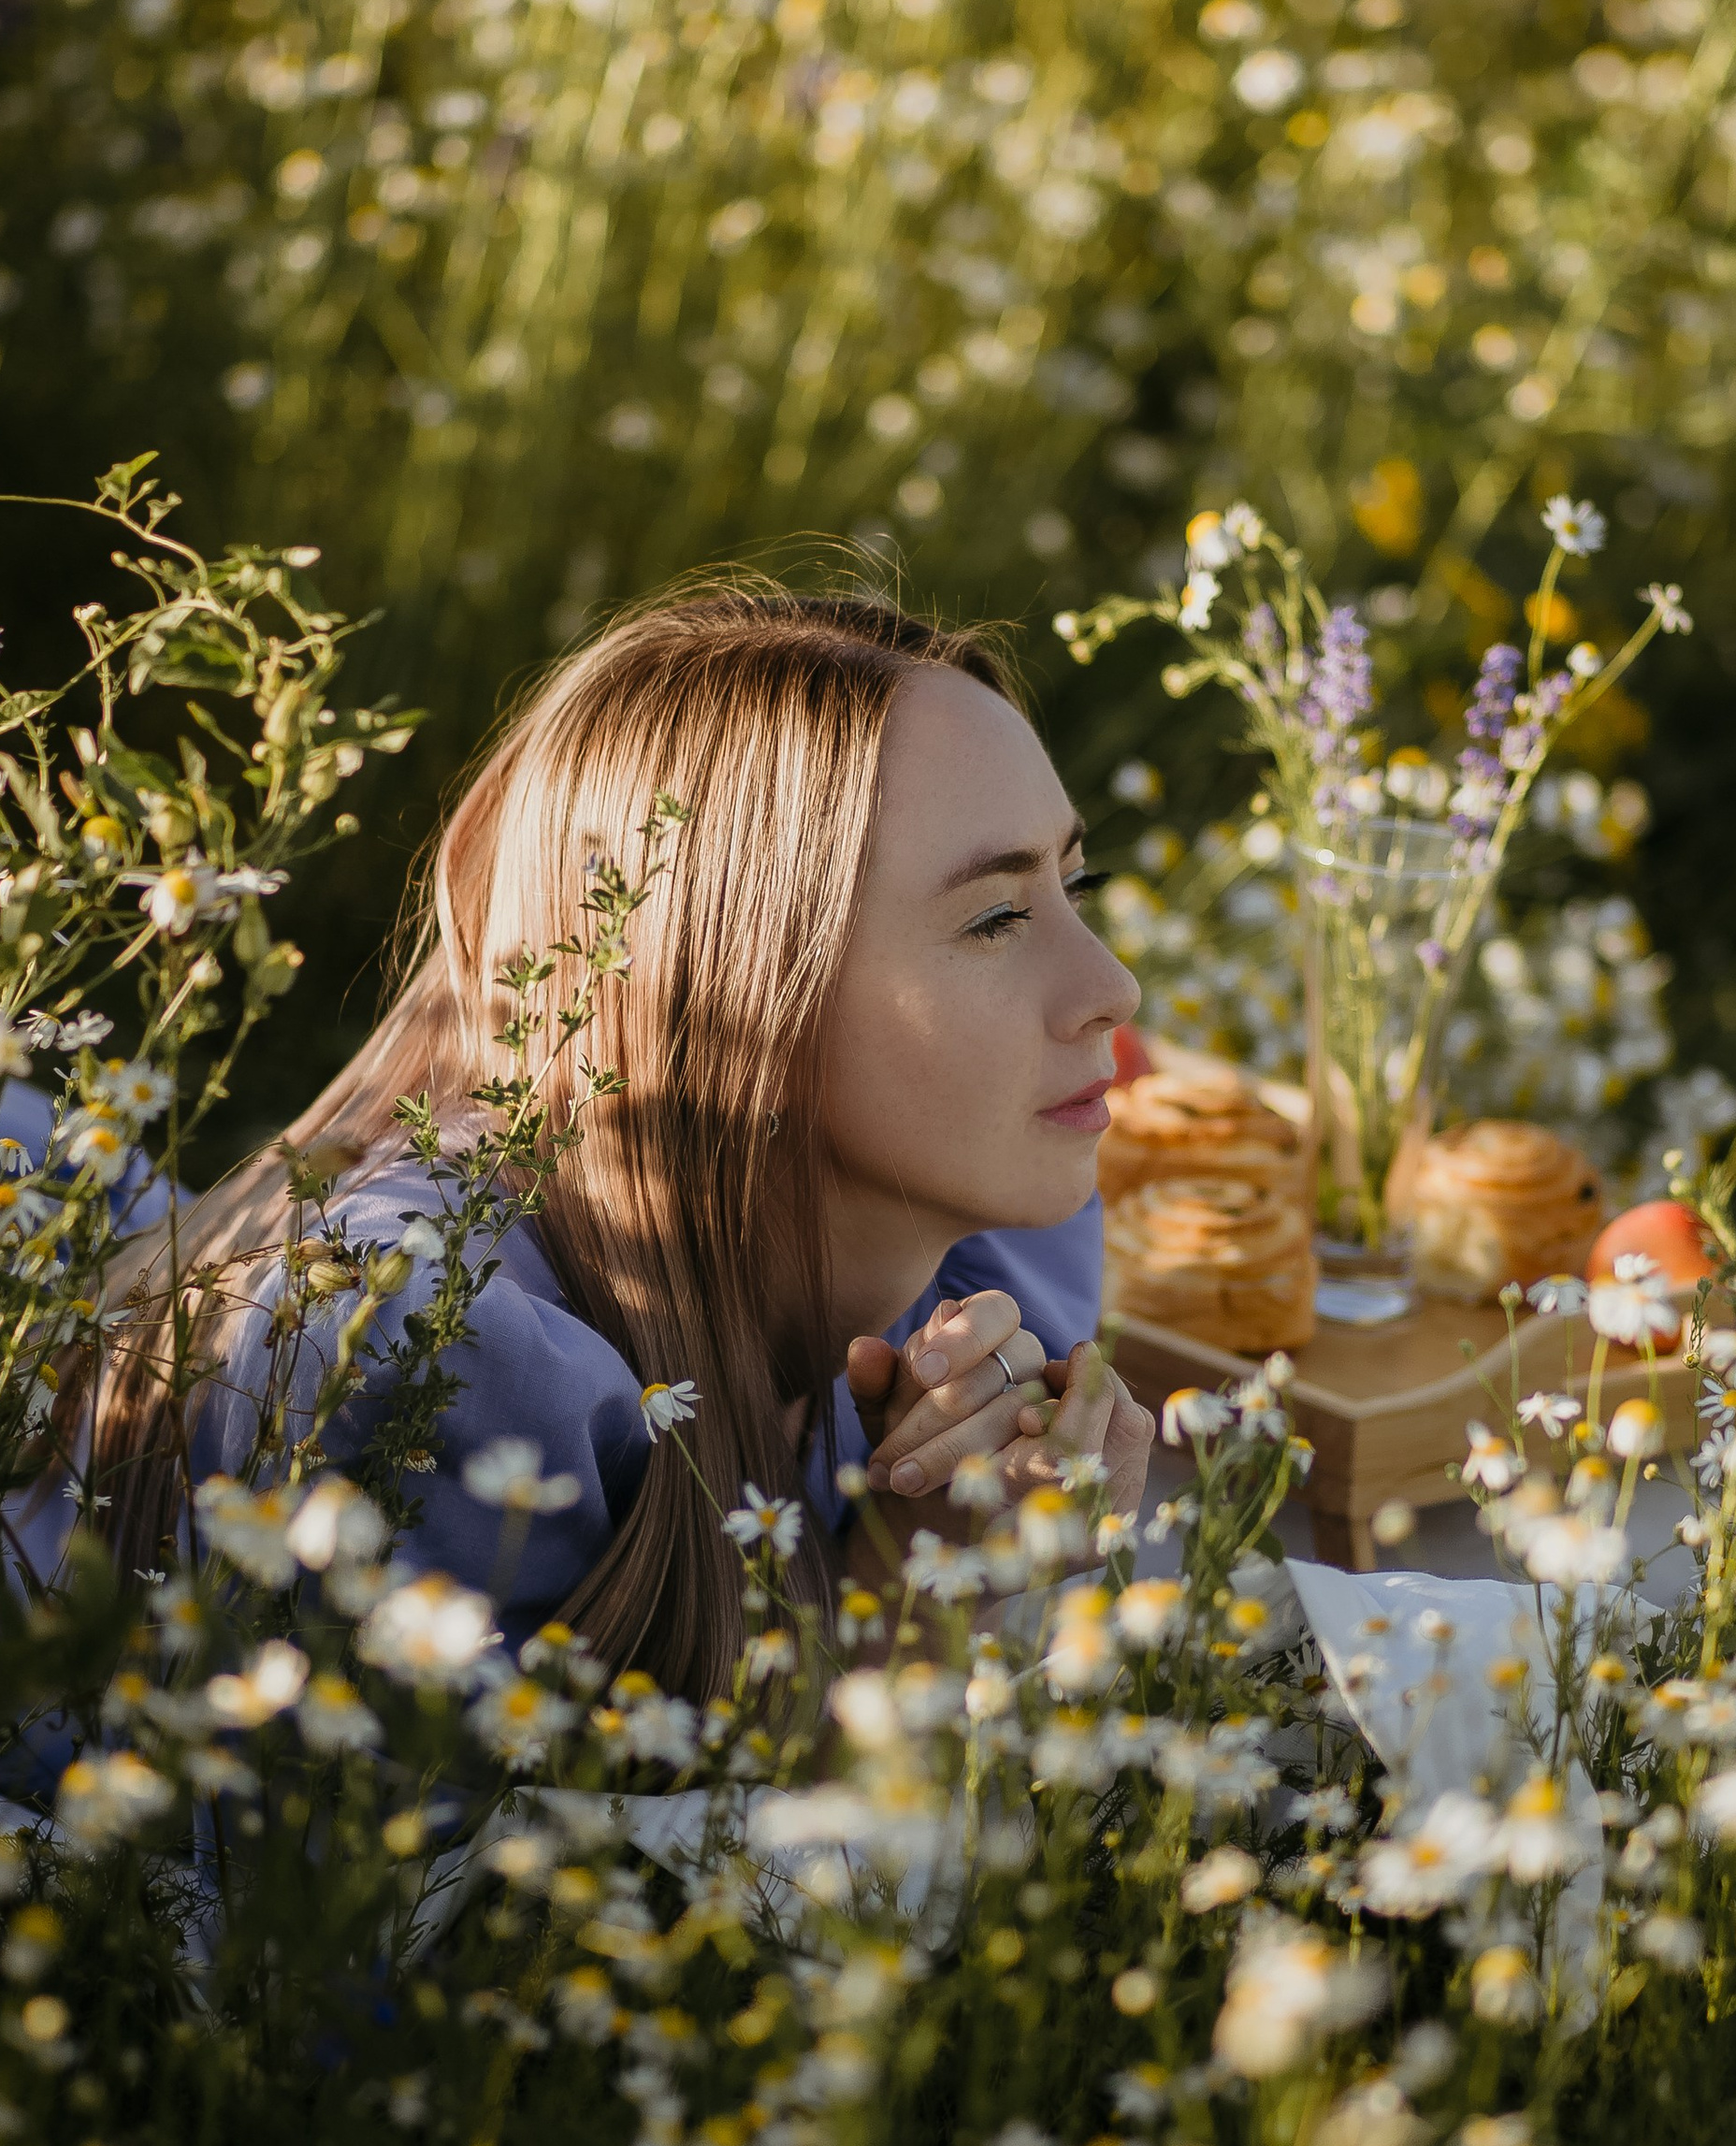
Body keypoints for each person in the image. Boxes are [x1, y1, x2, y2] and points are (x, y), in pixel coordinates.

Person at [61, 585, 1155, 1699]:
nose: (1114, 985)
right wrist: (920, 1593)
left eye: (1076, 886)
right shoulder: (432, 1366)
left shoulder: (976, 1272)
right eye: (994, 917)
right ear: (726, 994)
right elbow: (613, 1867)